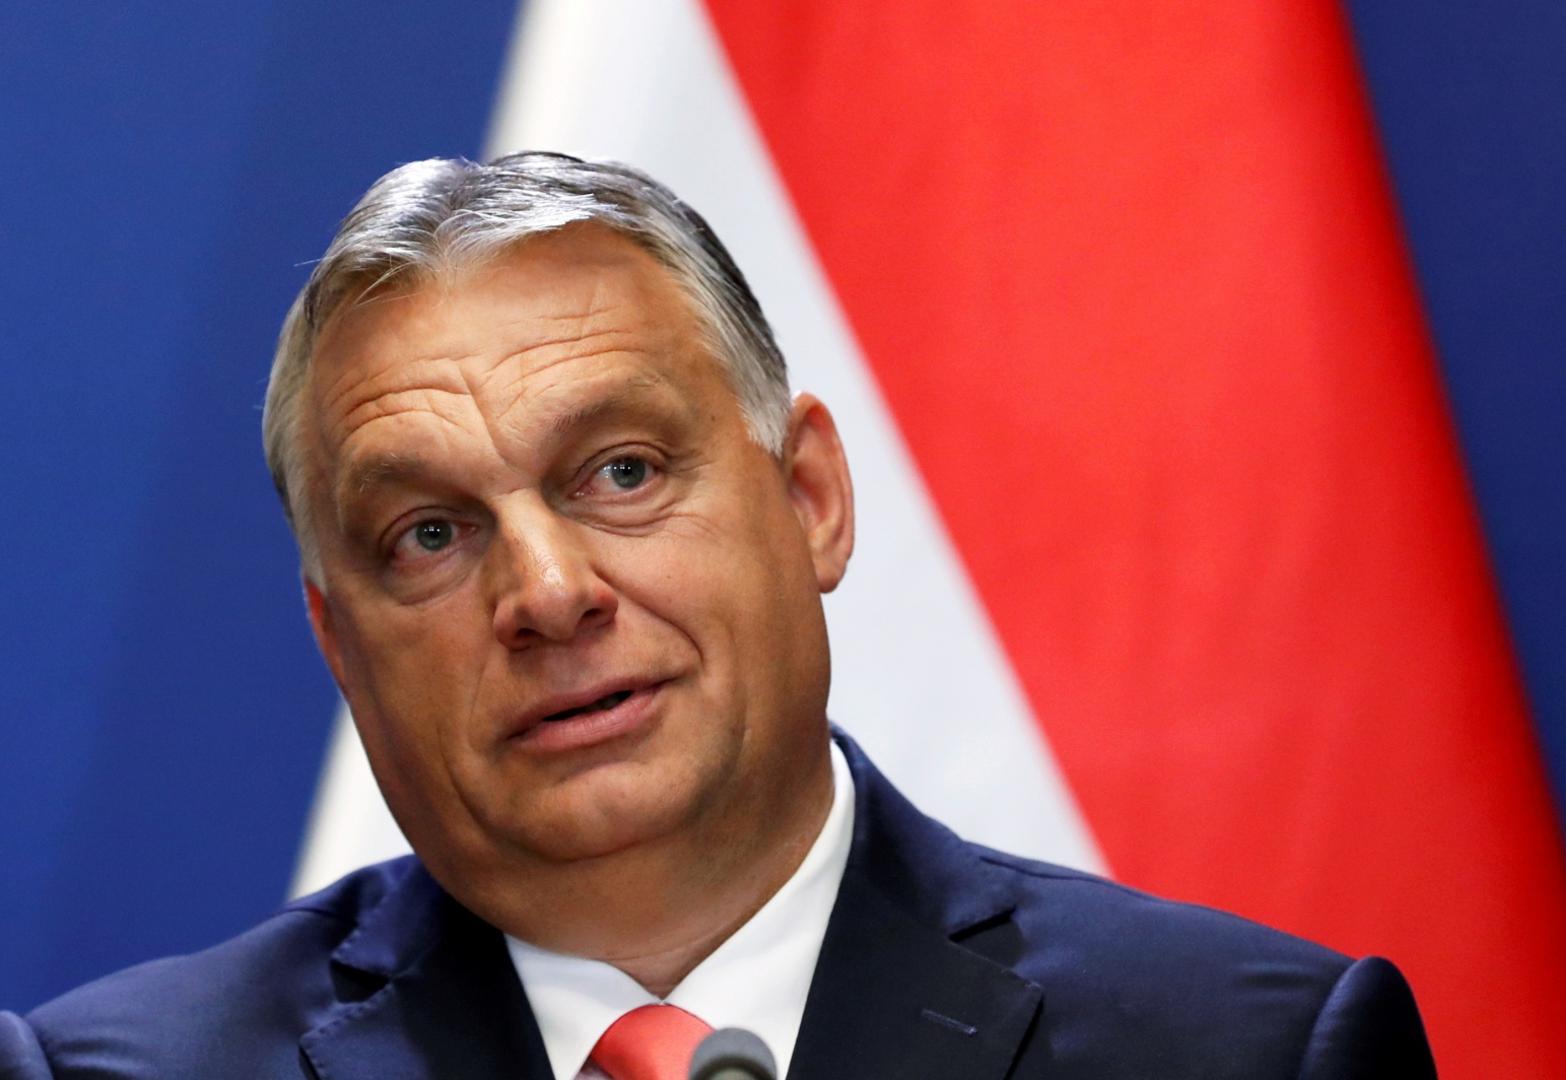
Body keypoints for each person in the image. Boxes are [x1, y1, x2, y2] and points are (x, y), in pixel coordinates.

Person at [0, 153, 1435, 1079]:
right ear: (338, 642)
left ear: (810, 499)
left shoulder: (1244, 1050)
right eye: (428, 534)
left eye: (621, 472)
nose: (548, 594)